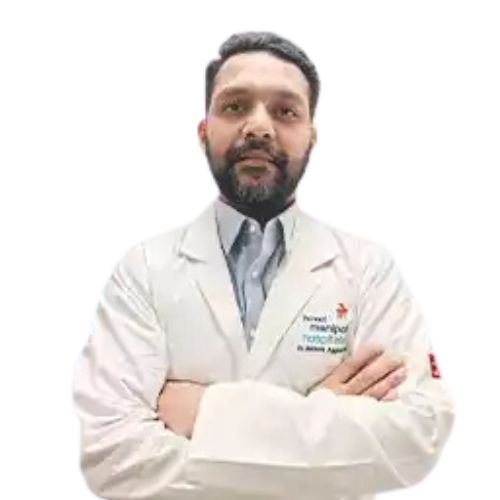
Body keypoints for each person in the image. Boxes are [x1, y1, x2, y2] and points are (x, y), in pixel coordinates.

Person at [73, 32, 455, 500]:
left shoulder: (367, 270)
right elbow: (111, 457)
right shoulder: (145, 270)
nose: (259, 126)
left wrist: (205, 413)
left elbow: (417, 434)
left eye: (285, 111)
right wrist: (324, 414)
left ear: (311, 136)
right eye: (235, 106)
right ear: (203, 131)